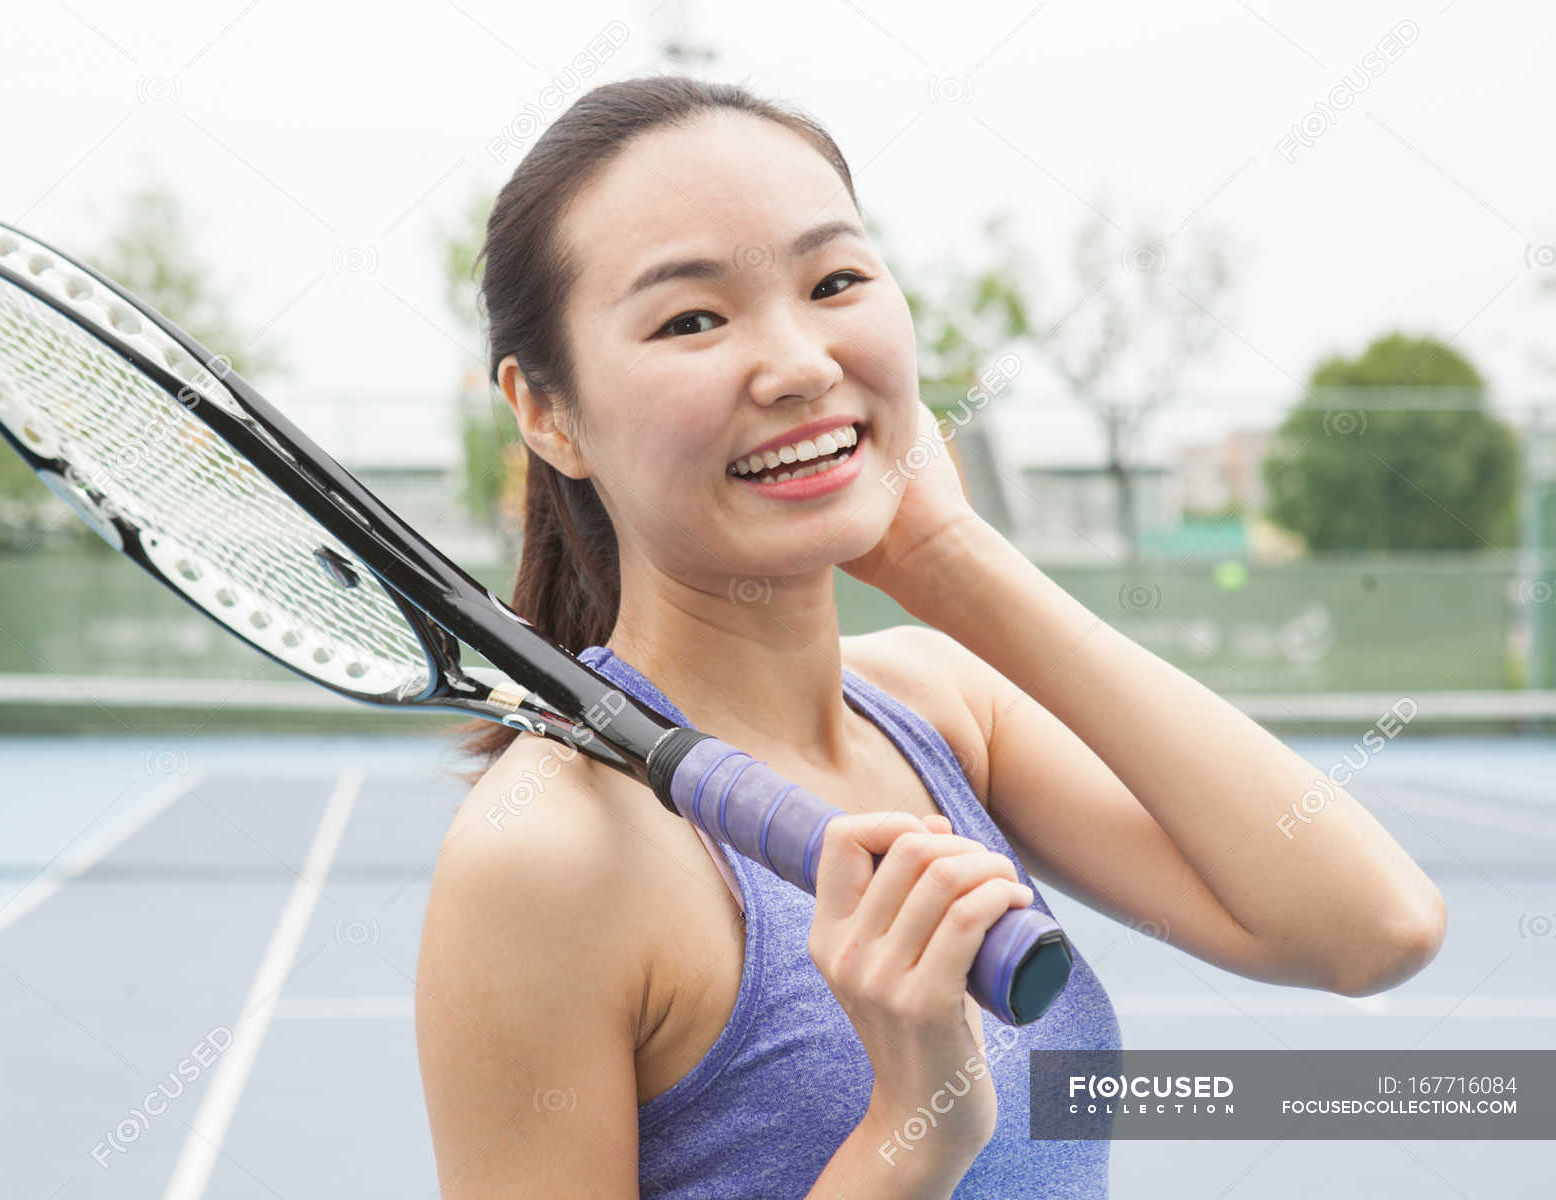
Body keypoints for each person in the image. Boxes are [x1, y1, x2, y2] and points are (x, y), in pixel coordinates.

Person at [416, 75, 1447, 1198]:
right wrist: (913, 1130)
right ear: (545, 411)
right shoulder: (545, 858)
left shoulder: (941, 707)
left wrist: (955, 561)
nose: (803, 363)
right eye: (692, 319)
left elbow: (1370, 928)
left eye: (836, 280)